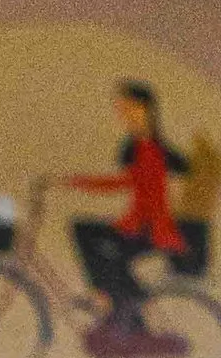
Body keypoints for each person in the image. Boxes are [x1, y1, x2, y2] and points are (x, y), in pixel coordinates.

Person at [65, 82, 191, 335]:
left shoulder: (159, 151)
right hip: (134, 225)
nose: (123, 115)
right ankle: (121, 315)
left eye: (129, 108)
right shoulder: (132, 147)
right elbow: (127, 182)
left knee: (110, 260)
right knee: (84, 231)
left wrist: (77, 182)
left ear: (147, 109)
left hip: (153, 230)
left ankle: (116, 304)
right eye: (121, 109)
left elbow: (125, 182)